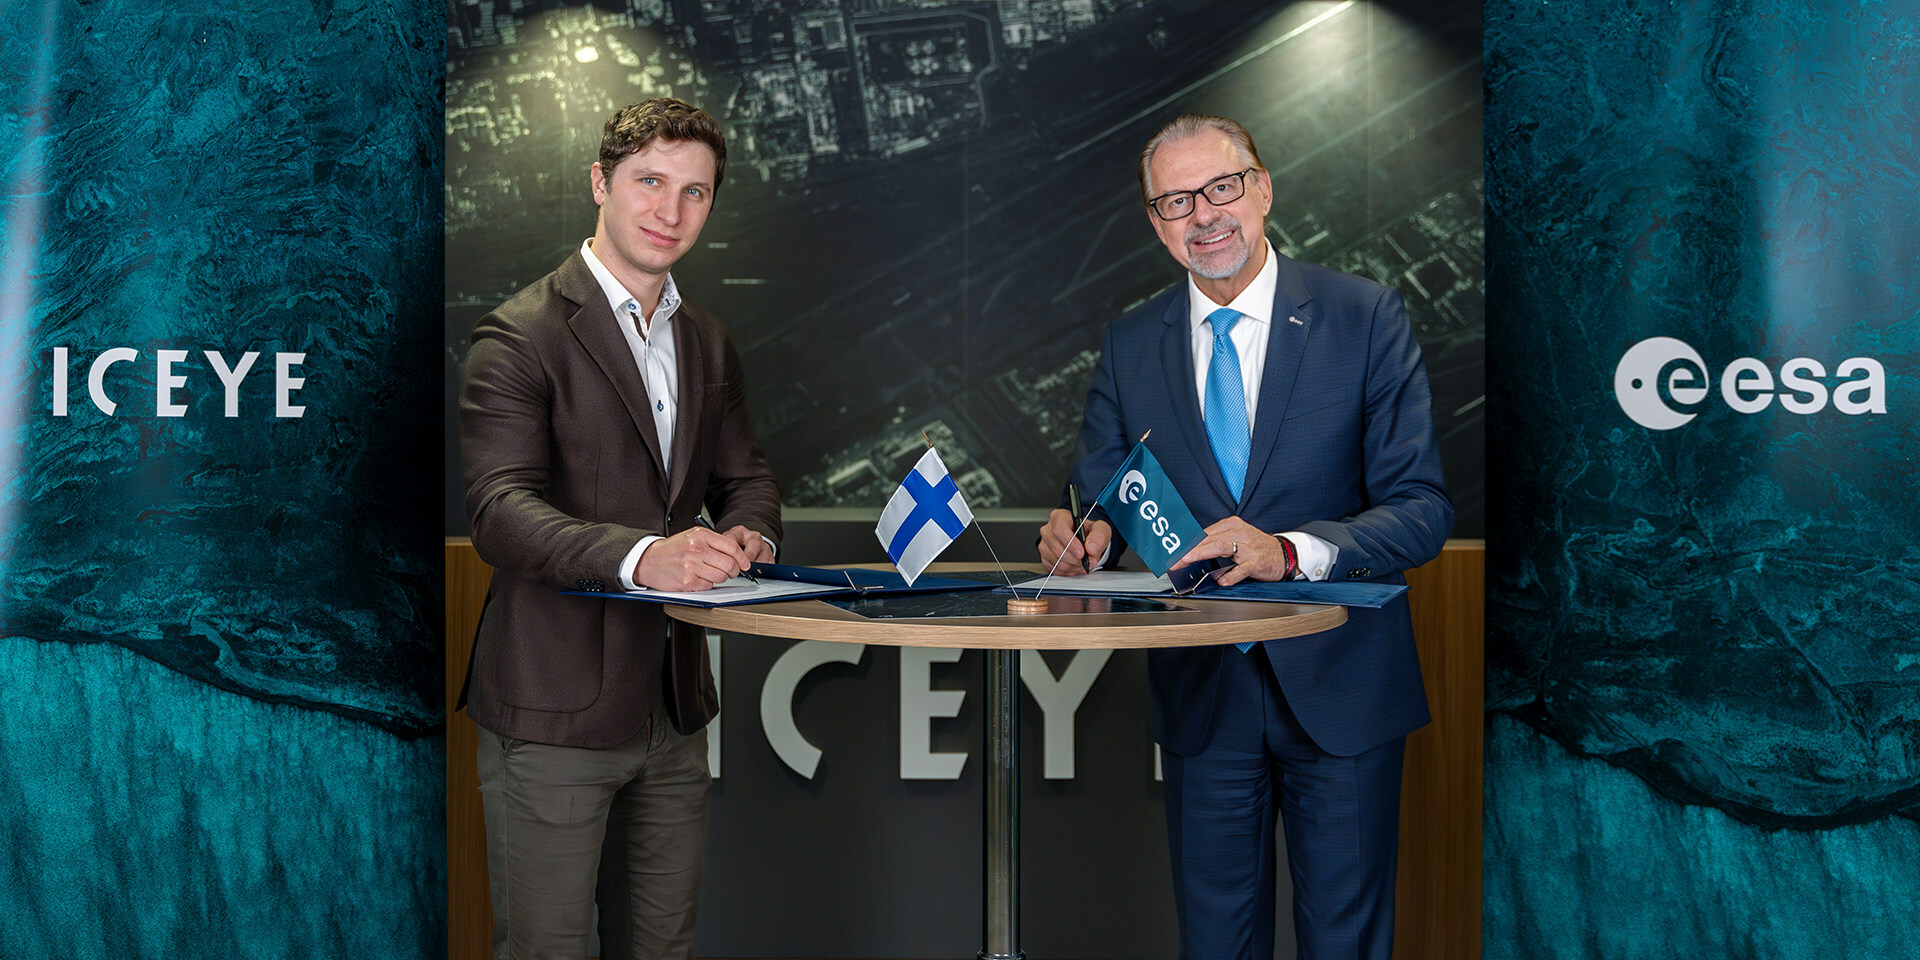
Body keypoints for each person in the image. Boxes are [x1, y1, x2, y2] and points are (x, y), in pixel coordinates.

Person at [1037, 114, 1451, 958]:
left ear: (1262, 188)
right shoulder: (1128, 346)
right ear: (1157, 224)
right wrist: (1086, 542)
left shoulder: (1365, 316)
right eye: (1177, 200)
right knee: (1217, 945)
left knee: (1346, 944)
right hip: (1204, 698)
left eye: (1222, 187)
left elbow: (1421, 508)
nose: (1206, 214)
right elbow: (1105, 503)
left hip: (1343, 687)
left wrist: (1289, 550)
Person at [458, 97, 781, 960]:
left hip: (672, 711)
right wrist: (648, 558)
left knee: (660, 949)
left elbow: (746, 478)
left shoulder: (708, 341)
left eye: (695, 192)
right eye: (649, 182)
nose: (669, 212)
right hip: (551, 711)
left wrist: (751, 538)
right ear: (600, 183)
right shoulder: (518, 336)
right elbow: (498, 510)